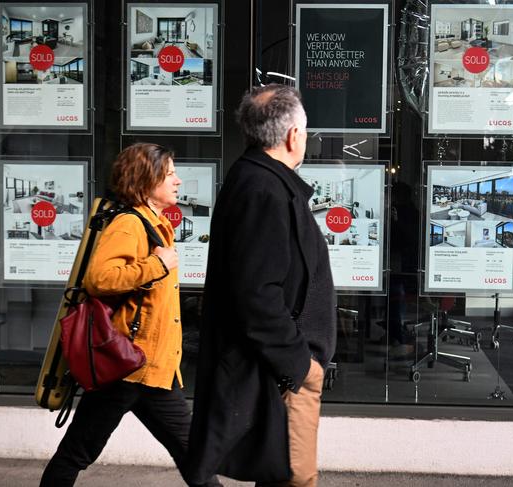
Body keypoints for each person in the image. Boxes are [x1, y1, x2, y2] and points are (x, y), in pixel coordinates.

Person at [40, 143, 221, 487]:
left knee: (192, 454)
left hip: (149, 369)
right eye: (170, 174)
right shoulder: (129, 224)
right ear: (145, 180)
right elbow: (100, 279)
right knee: (78, 452)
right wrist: (157, 264)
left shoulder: (153, 223)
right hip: (129, 367)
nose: (178, 181)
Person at [186, 84, 336, 487]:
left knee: (281, 477)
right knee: (294, 481)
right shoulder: (263, 189)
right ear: (293, 136)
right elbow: (257, 293)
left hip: (280, 372)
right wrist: (301, 365)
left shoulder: (260, 181)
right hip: (285, 375)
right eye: (305, 131)